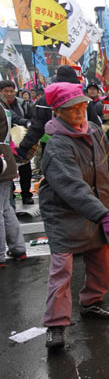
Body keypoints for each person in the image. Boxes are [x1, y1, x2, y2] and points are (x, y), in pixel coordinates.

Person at [39, 82, 109, 348]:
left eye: (82, 106)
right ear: (58, 111)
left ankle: (91, 302)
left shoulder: (93, 130)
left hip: (98, 205)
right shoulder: (56, 145)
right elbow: (72, 187)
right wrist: (103, 215)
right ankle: (56, 324)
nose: (80, 113)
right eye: (73, 109)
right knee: (62, 271)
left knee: (101, 262)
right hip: (65, 214)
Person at [0, 89, 26, 269]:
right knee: (5, 208)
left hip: (1, 158)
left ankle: (0, 254)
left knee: (2, 209)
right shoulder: (3, 105)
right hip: (5, 157)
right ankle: (18, 248)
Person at [0, 81, 34, 205]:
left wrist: (28, 124)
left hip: (21, 141)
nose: (9, 94)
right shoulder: (2, 105)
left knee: (25, 169)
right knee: (7, 172)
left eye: (11, 91)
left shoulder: (21, 103)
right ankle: (11, 196)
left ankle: (26, 194)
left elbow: (21, 118)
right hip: (5, 145)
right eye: (6, 91)